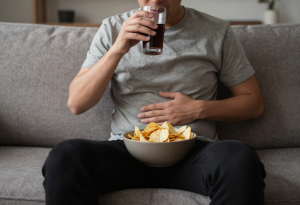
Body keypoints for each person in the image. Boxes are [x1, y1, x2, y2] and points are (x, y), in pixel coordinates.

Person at [42, 0, 266, 204]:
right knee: (66, 155)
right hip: (127, 150)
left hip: (193, 151)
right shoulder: (113, 28)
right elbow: (77, 104)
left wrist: (198, 110)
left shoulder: (216, 31)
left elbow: (253, 103)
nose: (155, 1)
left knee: (239, 157)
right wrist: (118, 48)